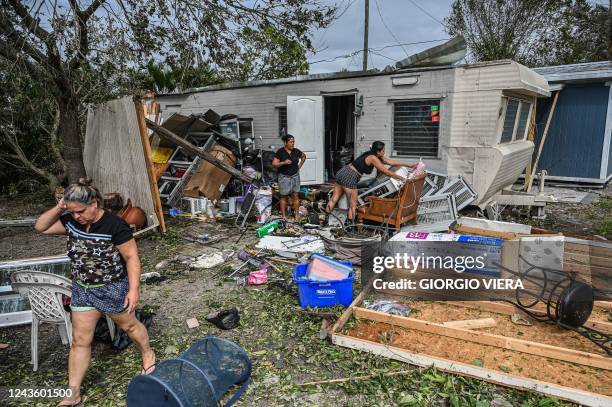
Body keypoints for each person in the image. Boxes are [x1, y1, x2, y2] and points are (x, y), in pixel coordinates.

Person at [34, 179, 155, 407]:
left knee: (129, 326)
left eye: (80, 211)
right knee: (80, 341)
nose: (76, 216)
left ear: (95, 203)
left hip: (111, 288)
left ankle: (148, 353)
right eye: (72, 212)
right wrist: (61, 208)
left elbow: (132, 258)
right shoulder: (70, 221)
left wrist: (133, 290)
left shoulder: (115, 225)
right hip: (83, 289)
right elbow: (40, 227)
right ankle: (74, 394)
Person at [326, 141, 418, 222]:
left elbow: (391, 162)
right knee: (353, 204)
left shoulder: (372, 154)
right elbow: (385, 171)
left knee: (334, 198)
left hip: (343, 171)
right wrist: (401, 178)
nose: (384, 152)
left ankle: (325, 220)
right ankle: (351, 226)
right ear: (378, 151)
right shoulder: (373, 158)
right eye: (383, 150)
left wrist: (409, 165)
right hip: (350, 176)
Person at [272, 134, 306, 222]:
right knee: (284, 196)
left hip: (295, 176)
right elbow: (274, 164)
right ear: (285, 142)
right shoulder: (280, 152)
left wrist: (299, 166)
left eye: (293, 141)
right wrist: (283, 162)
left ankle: (296, 216)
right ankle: (284, 216)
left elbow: (304, 156)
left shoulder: (296, 151)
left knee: (295, 195)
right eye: (291, 142)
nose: (293, 143)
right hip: (284, 176)